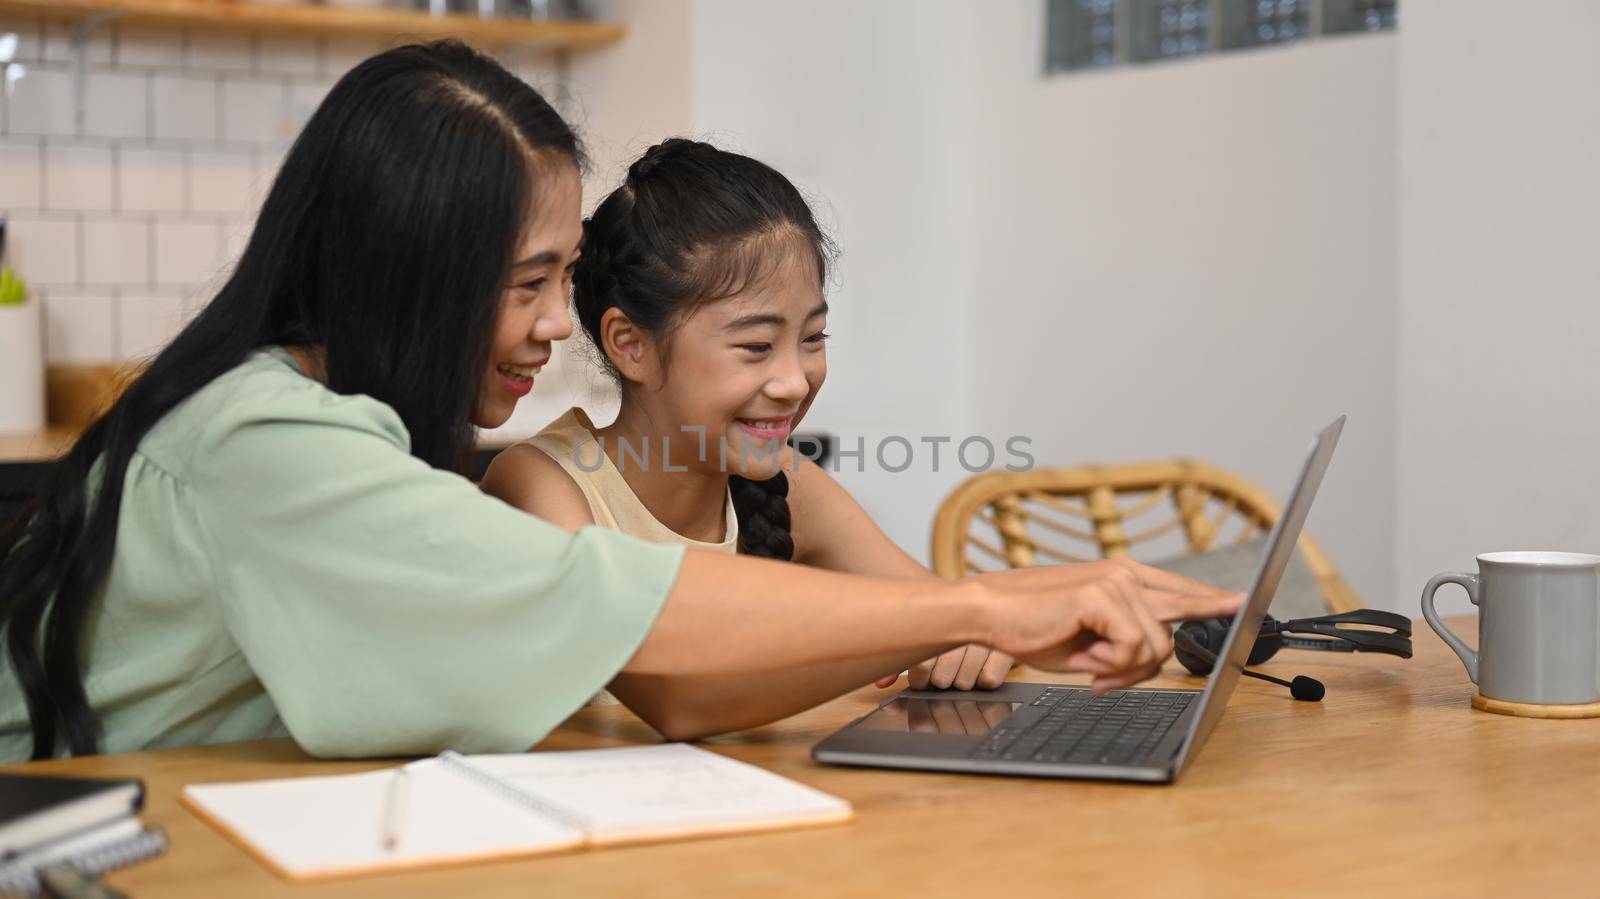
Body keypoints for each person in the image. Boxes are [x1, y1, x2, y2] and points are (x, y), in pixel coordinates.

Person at [0, 42, 1237, 764]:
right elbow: (620, 618)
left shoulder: (339, 428)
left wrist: (981, 614)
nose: (556, 322)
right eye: (527, 283)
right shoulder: (265, 440)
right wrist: (987, 599)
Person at [483, 139, 1016, 730]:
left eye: (812, 338)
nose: (793, 381)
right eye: (756, 347)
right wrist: (939, 623)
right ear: (630, 344)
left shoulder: (791, 482)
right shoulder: (543, 487)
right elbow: (679, 693)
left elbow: (940, 616)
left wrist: (969, 634)